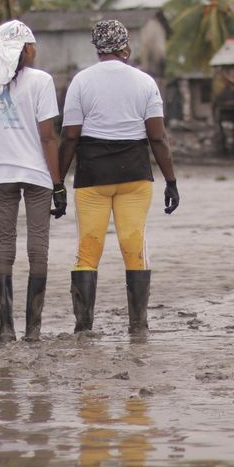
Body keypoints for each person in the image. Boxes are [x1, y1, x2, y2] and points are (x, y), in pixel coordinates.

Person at [58, 19, 179, 335]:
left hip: (92, 175)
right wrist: (171, 181)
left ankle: (83, 328)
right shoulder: (144, 82)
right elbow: (158, 138)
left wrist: (57, 182)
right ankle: (138, 326)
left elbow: (70, 137)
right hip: (135, 176)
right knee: (133, 243)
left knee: (88, 248)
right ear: (126, 46)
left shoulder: (81, 82)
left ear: (97, 49)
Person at [0, 20, 64, 343]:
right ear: (26, 49)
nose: (35, 51)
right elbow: (48, 137)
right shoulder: (42, 81)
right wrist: (58, 184)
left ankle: (5, 329)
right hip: (37, 175)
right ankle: (34, 331)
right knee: (38, 249)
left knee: (4, 248)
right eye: (33, 46)